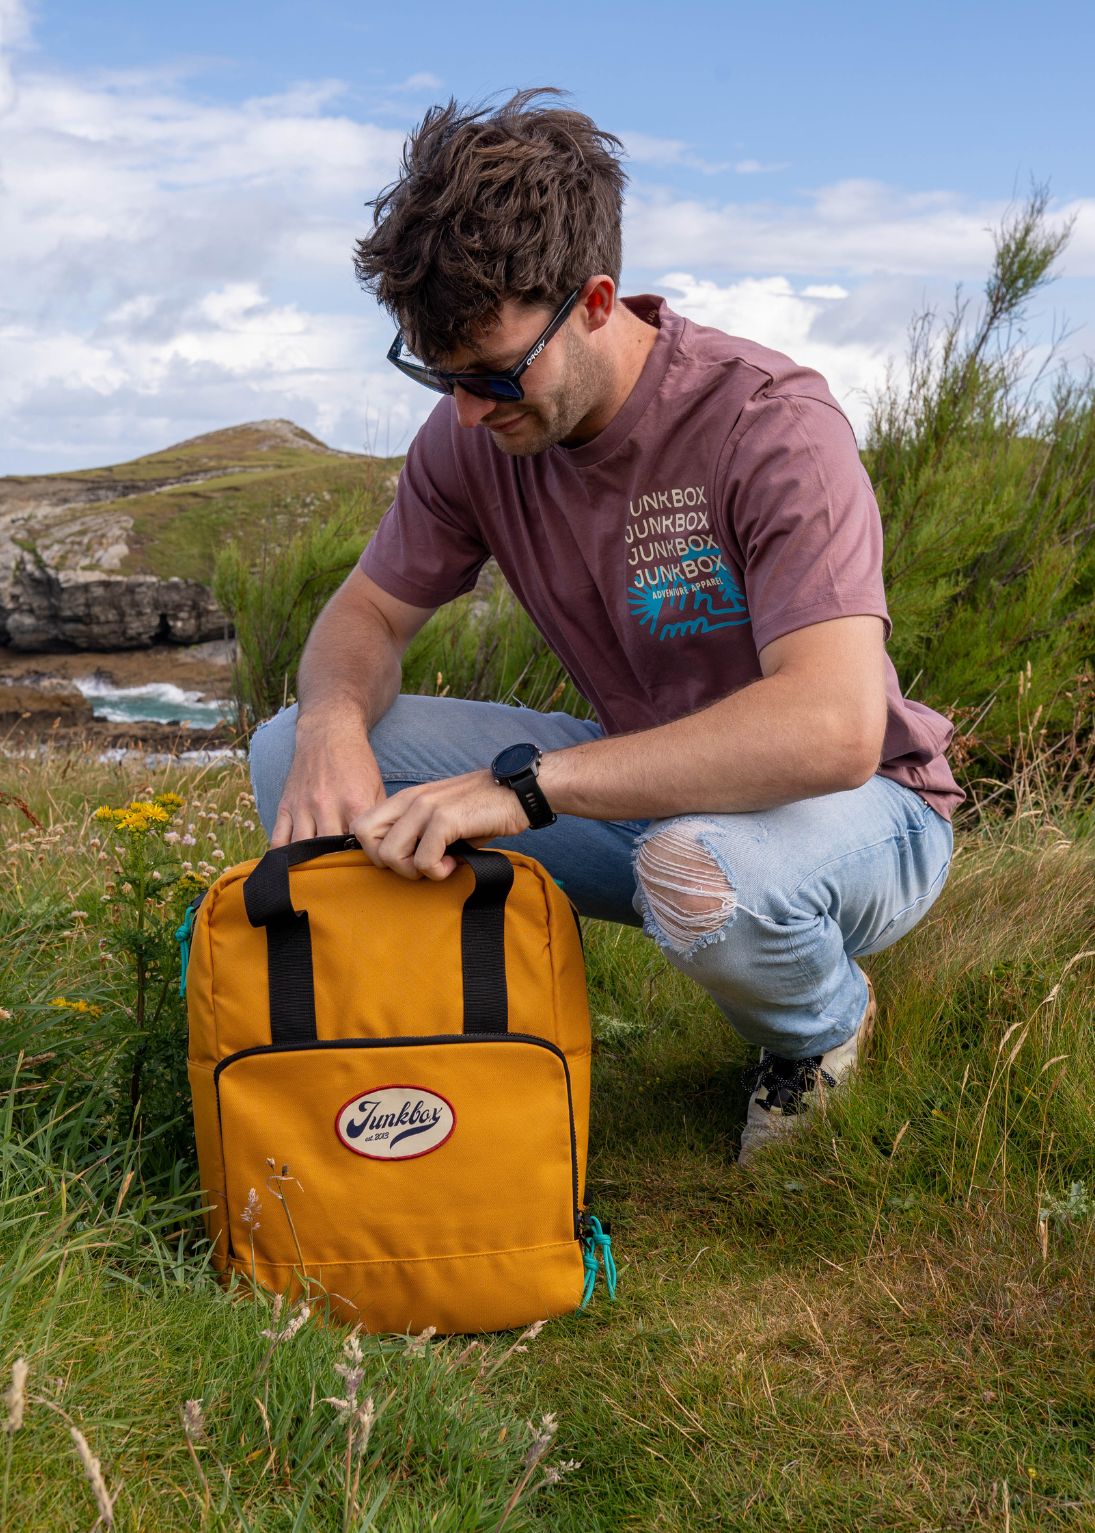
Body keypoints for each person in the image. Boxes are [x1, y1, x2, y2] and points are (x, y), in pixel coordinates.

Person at [248, 89, 962, 1162]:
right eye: (436, 376)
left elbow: (834, 728)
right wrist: (332, 725)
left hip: (859, 816)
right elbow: (366, 611)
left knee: (695, 866)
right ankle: (421, 1035)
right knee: (285, 749)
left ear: (593, 301)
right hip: (637, 788)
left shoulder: (768, 422)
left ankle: (823, 1030)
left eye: (492, 376)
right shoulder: (469, 433)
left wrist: (526, 788)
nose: (468, 413)